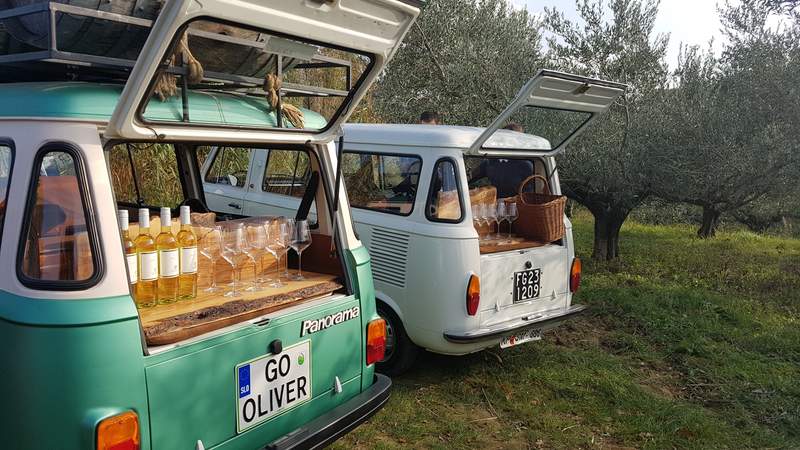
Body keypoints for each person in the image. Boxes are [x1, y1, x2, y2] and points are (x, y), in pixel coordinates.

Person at [470, 122, 534, 198]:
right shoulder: (490, 162)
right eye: (503, 139)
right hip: (494, 207)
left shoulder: (526, 165)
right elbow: (470, 177)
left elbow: (532, 193)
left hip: (517, 207)